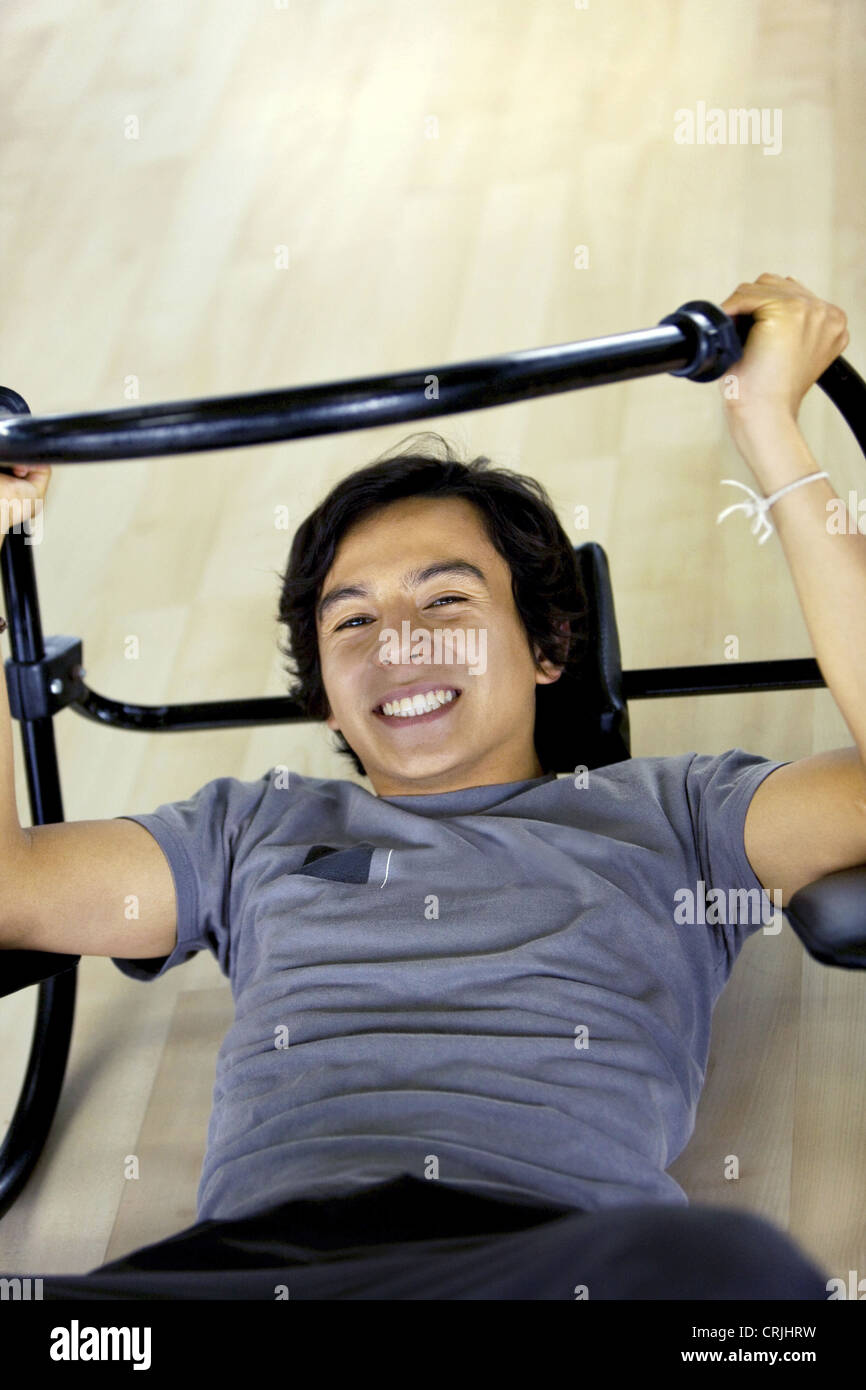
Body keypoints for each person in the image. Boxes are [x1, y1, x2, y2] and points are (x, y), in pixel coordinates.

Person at [0, 274, 858, 1300]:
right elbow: (14, 890)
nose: (396, 643)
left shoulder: (677, 817)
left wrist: (766, 426)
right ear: (325, 695)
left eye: (444, 599)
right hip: (249, 1278)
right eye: (350, 622)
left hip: (538, 1269)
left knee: (738, 1280)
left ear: (546, 644)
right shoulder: (245, 830)